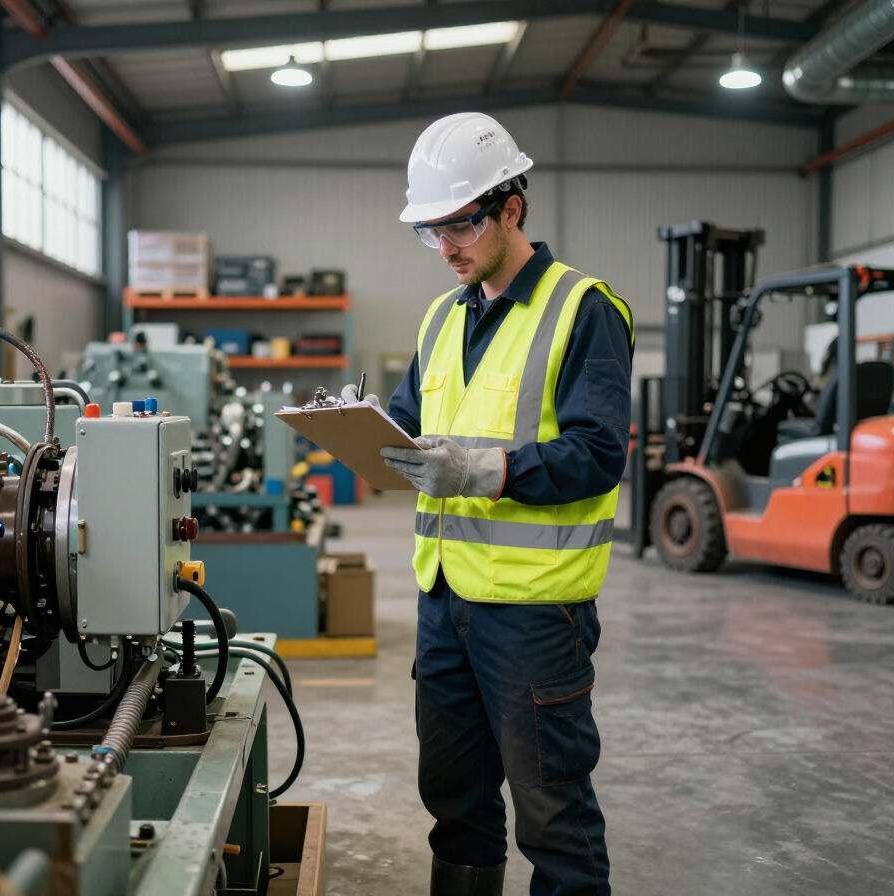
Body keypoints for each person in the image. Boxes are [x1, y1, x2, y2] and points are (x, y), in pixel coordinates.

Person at [345, 113, 634, 896]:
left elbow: (599, 455)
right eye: (431, 232)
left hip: (534, 614)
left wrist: (480, 472)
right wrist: (350, 426)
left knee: (553, 814)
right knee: (455, 801)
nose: (446, 248)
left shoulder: (584, 310)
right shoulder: (443, 316)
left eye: (460, 225)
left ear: (512, 208)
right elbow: (406, 428)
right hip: (445, 601)